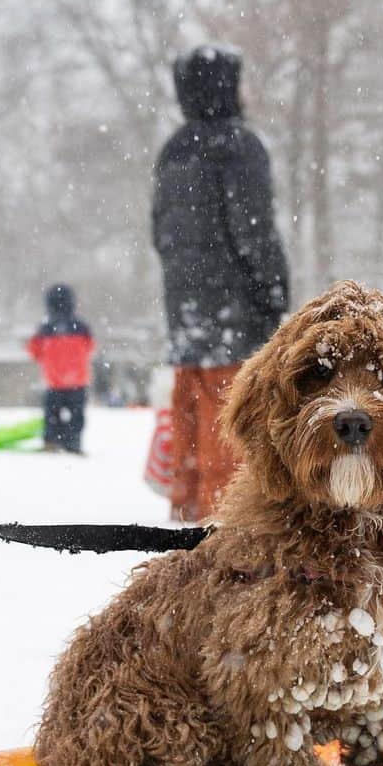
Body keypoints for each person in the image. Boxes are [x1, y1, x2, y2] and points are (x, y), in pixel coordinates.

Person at [152, 45, 289, 522]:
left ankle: (186, 530)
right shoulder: (239, 146)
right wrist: (274, 297)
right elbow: (255, 233)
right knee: (230, 435)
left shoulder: (174, 149)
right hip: (235, 314)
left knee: (190, 426)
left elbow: (160, 234)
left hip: (185, 314)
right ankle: (227, 536)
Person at [27, 284, 95, 454]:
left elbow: (34, 351)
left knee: (52, 414)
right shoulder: (81, 327)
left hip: (54, 381)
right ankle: (74, 441)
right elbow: (90, 347)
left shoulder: (45, 328)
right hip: (78, 381)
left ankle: (51, 441)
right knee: (76, 414)